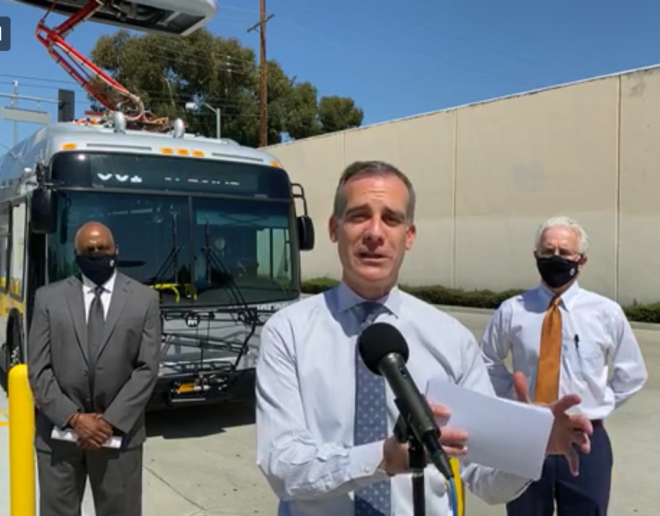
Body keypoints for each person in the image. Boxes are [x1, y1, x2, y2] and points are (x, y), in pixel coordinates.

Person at [254, 161, 594, 516]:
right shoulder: (288, 333)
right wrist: (382, 458)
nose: (374, 232)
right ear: (334, 228)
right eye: (358, 216)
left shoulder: (452, 340)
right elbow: (282, 466)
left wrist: (529, 447)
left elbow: (484, 481)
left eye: (391, 219)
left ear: (409, 235)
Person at [479, 216, 648, 516]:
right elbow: (486, 360)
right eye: (548, 251)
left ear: (581, 260)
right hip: (526, 437)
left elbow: (631, 373)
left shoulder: (606, 313)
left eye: (565, 252)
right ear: (536, 257)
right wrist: (514, 402)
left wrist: (598, 405)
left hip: (584, 439)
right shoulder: (513, 310)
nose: (555, 258)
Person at [27, 221, 162, 516]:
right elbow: (38, 369)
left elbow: (147, 368)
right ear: (76, 254)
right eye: (88, 250)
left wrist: (108, 422)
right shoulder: (48, 298)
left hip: (119, 437)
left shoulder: (145, 300)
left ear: (117, 251)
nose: (96, 253)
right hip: (59, 439)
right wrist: (74, 418)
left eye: (103, 248)